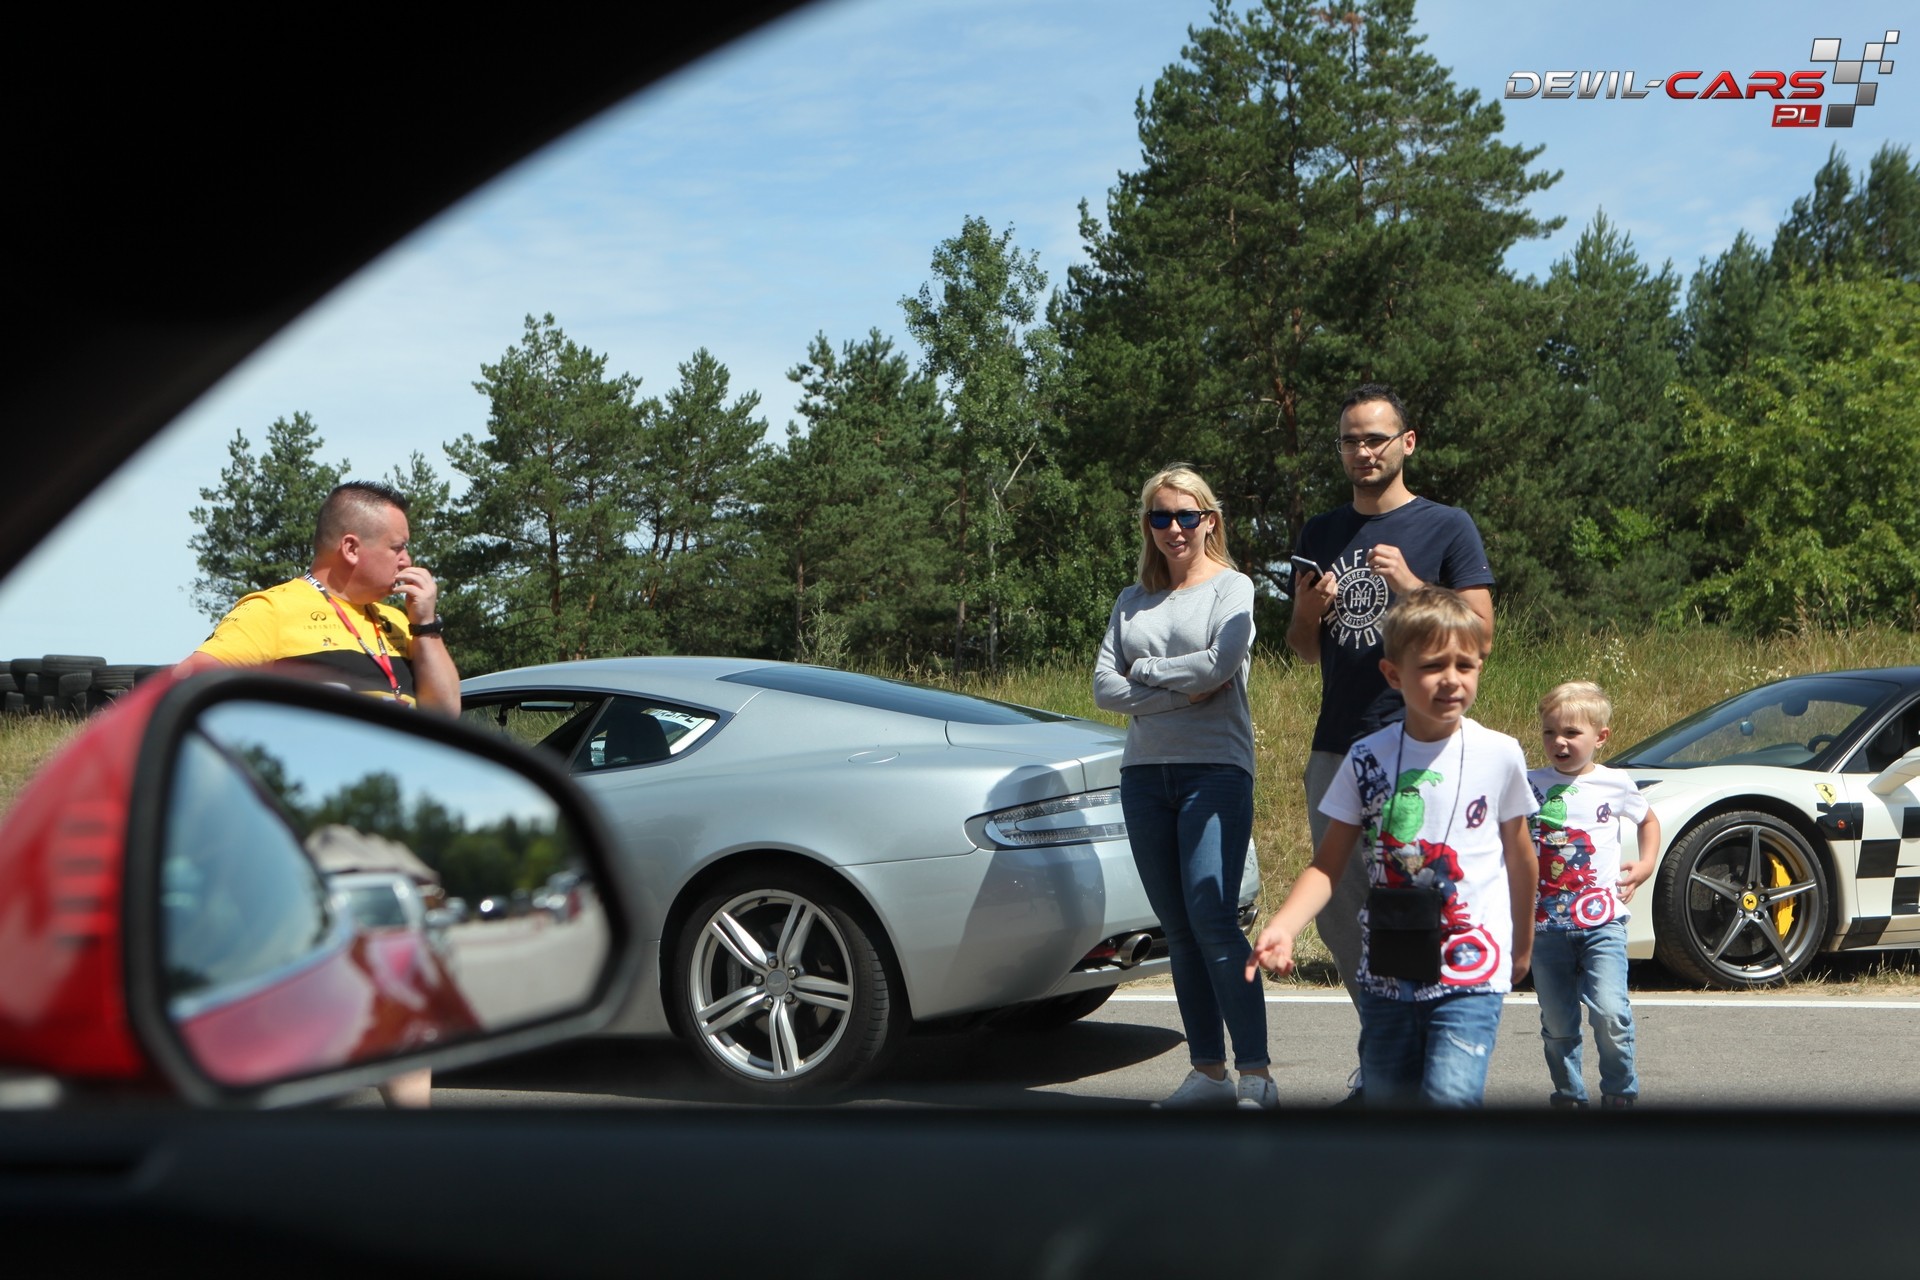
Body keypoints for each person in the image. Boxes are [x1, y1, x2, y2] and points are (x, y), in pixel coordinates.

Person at [178, 480, 459, 1108]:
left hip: (388, 840)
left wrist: (428, 624)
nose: (409, 560)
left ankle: (417, 1146)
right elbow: (188, 686)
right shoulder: (273, 611)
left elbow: (446, 712)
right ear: (352, 548)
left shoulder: (396, 622)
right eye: (399, 547)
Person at [1248, 588, 1535, 1108]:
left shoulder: (1500, 754)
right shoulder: (1366, 757)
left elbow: (1520, 856)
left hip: (1471, 969)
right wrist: (1284, 926)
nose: (1451, 678)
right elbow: (1327, 865)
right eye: (1432, 665)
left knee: (1449, 1099)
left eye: (1465, 665)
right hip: (1387, 968)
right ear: (1393, 674)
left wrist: (1523, 941)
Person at [1287, 383, 1494, 1101]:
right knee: (1342, 911)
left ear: (1406, 443)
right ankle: (1383, 1049)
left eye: (1376, 438)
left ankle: (1430, 1061)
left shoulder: (1446, 526)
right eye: (1351, 440)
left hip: (1421, 745)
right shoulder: (1319, 532)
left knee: (1422, 896)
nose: (1363, 451)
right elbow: (1303, 649)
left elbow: (1481, 635)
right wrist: (1308, 613)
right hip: (1337, 746)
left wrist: (1411, 586)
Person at [1094, 465, 1274, 1110]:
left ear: (1209, 520)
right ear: (1148, 525)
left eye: (1186, 515)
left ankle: (1256, 1076)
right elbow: (1103, 687)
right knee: (1178, 928)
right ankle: (1208, 1073)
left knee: (1213, 919)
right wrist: (1178, 692)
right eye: (1160, 516)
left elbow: (1220, 666)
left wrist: (1144, 672)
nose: (1174, 528)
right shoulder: (1131, 599)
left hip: (1215, 770)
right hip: (1144, 775)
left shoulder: (1233, 588)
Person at [1529, 680, 1660, 1110]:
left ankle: (1619, 1094)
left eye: (1571, 733)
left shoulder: (1614, 783)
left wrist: (1645, 865)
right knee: (1557, 1024)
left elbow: (1648, 820)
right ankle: (1569, 1097)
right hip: (1545, 928)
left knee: (1611, 1013)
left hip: (1602, 922)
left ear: (1600, 737)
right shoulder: (1529, 784)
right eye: (1550, 732)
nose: (1559, 742)